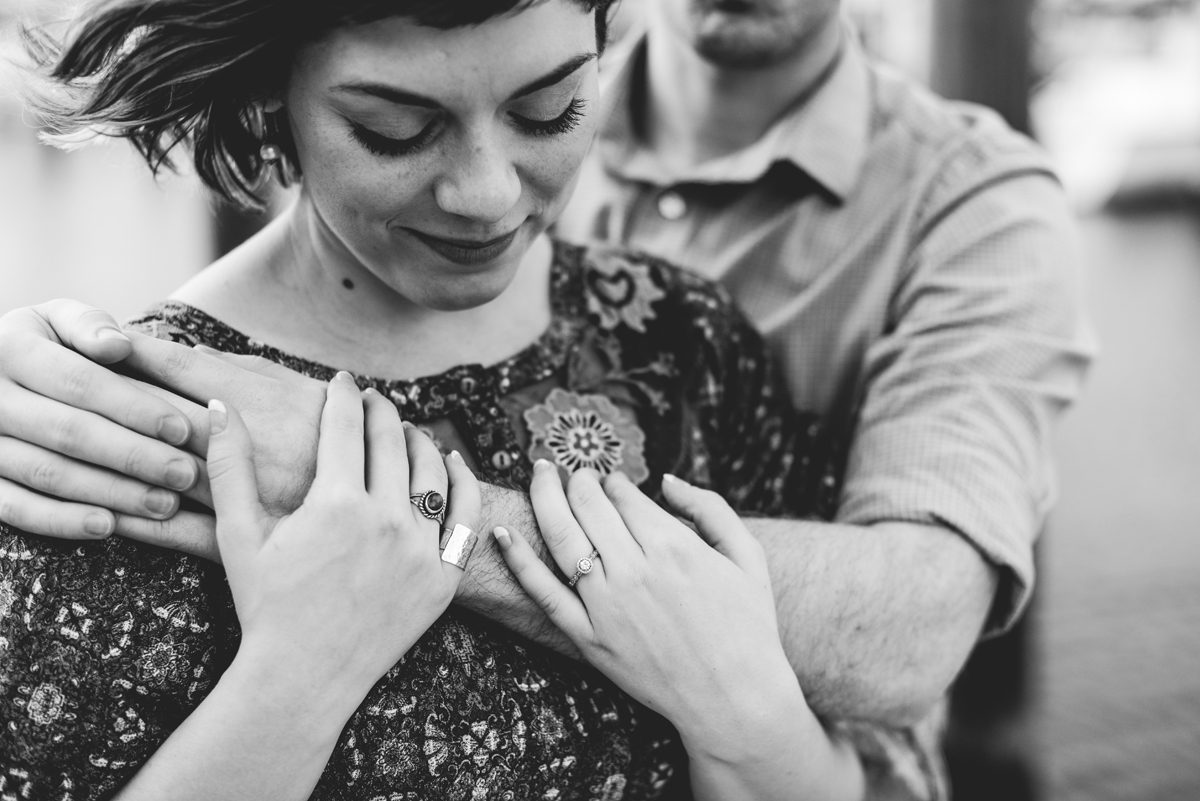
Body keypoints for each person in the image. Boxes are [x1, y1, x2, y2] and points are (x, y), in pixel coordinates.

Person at [0, 0, 1094, 797]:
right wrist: (294, 678)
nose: (484, 195)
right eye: (392, 129)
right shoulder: (115, 434)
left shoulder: (686, 334)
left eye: (553, 111)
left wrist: (436, 525)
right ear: (271, 97)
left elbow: (899, 657)